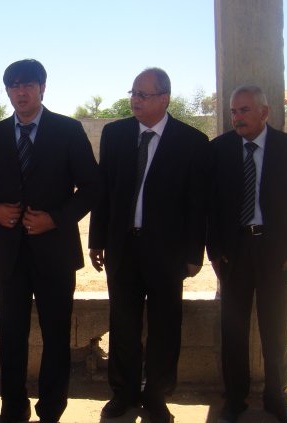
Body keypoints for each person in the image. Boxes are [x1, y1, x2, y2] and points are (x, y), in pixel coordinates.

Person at [0, 59, 101, 423]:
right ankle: (13, 409)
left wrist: (56, 218)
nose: (21, 91)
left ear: (42, 88)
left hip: (55, 254)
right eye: (14, 85)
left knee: (56, 337)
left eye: (28, 84)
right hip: (9, 256)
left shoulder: (68, 130)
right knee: (11, 337)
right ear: (7, 91)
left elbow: (92, 188)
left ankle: (51, 411)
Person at [88, 68, 209, 423]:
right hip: (122, 248)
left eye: (143, 94)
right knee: (123, 324)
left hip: (167, 253)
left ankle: (156, 396)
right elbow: (104, 192)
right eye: (133, 93)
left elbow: (197, 204)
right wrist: (97, 240)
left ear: (164, 98)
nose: (135, 100)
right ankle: (122, 394)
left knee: (165, 326)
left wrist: (194, 254)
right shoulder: (114, 134)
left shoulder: (192, 141)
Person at [207, 85, 287, 423]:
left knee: (276, 330)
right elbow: (210, 206)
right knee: (233, 331)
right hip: (234, 253)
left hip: (276, 255)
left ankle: (276, 399)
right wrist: (215, 250)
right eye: (233, 111)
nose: (237, 118)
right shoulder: (219, 149)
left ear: (264, 112)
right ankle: (234, 400)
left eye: (244, 110)